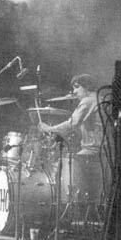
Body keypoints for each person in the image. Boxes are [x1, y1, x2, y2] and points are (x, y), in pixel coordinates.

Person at [38, 74, 105, 203]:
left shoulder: (88, 101)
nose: (74, 92)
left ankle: (69, 204)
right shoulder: (100, 98)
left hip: (92, 151)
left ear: (86, 87)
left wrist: (49, 129)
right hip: (104, 152)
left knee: (63, 164)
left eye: (77, 87)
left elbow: (72, 124)